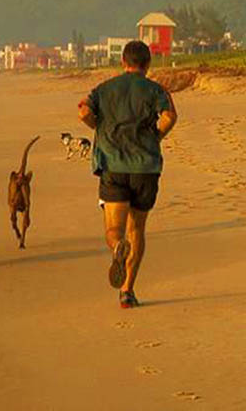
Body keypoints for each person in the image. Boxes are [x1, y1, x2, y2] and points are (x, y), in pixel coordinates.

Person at [77, 40, 177, 308]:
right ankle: (127, 291)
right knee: (138, 228)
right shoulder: (156, 90)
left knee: (114, 229)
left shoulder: (104, 89)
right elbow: (170, 116)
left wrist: (97, 126)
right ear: (147, 64)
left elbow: (83, 111)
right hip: (145, 168)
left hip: (113, 166)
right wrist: (156, 136)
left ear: (123, 62)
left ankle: (117, 246)